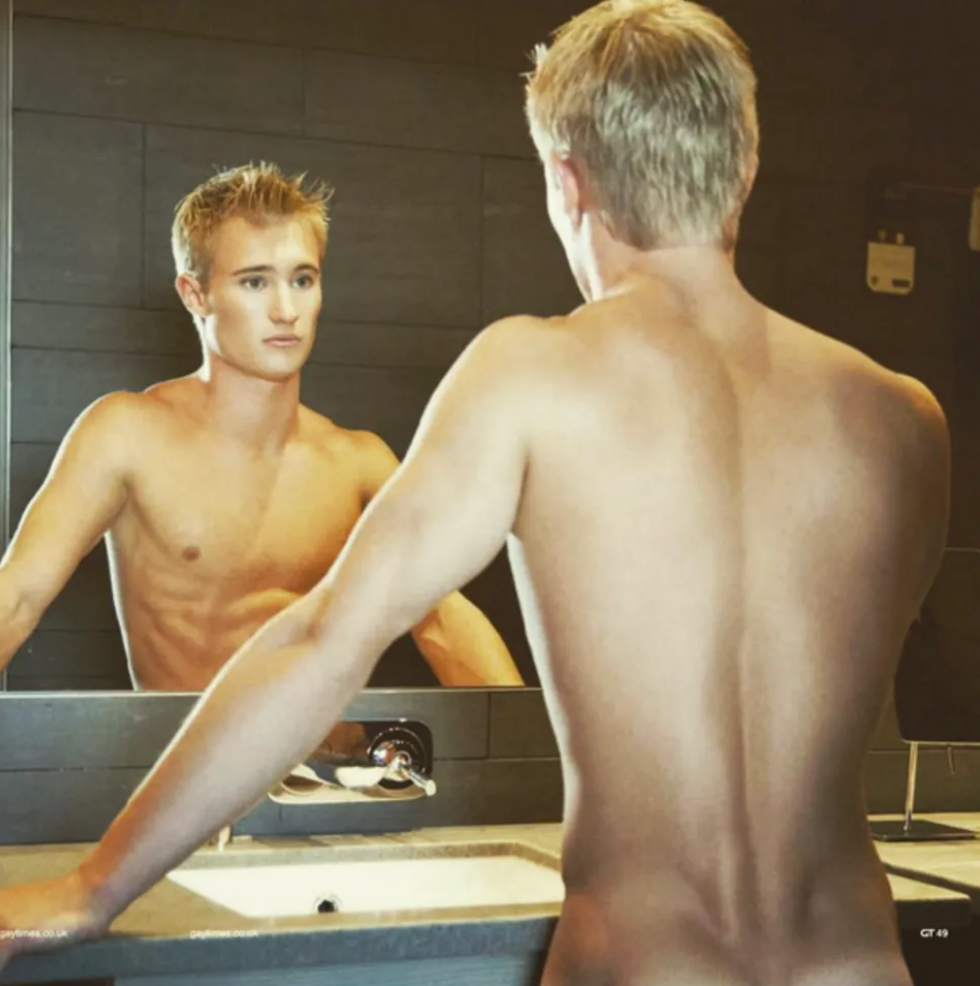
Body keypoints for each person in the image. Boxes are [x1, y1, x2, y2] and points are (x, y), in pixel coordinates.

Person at [0, 2, 949, 983]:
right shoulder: (904, 418)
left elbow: (324, 644)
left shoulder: (530, 374)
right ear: (744, 164)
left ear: (564, 180)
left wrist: (93, 887)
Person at [0, 163, 522, 692]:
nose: (286, 310)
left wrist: (531, 742)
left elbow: (444, 622)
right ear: (195, 294)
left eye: (303, 280)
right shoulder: (126, 435)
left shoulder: (357, 463)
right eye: (255, 282)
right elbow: (17, 597)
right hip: (186, 745)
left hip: (333, 746)